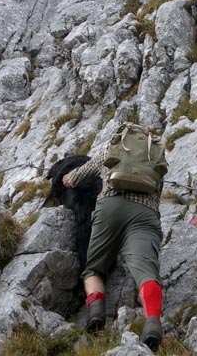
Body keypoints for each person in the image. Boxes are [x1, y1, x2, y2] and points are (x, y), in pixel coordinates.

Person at [62, 127, 166, 351]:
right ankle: (153, 324)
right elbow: (157, 192)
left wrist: (66, 179)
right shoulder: (156, 158)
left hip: (109, 207)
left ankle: (97, 312)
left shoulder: (111, 149)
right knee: (146, 273)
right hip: (144, 214)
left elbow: (77, 176)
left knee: (93, 269)